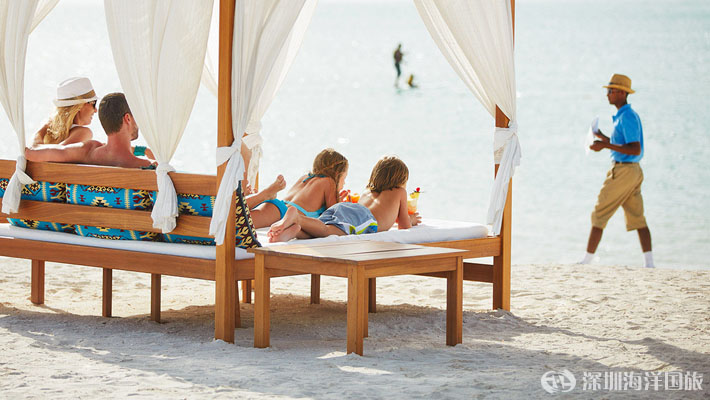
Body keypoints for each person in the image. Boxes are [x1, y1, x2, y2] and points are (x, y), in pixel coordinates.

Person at [580, 74, 654, 268]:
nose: (607, 94)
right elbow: (623, 144)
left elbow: (634, 148)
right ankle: (650, 264)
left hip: (624, 172)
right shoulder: (624, 115)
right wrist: (602, 137)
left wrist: (605, 146)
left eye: (611, 91)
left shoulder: (627, 116)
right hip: (633, 172)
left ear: (622, 93)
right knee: (637, 217)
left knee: (599, 213)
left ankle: (586, 261)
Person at [268, 155, 421, 242]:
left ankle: (295, 231)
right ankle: (298, 217)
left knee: (320, 228)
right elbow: (404, 226)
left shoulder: (368, 191)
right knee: (329, 231)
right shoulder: (400, 192)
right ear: (402, 179)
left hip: (345, 208)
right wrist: (412, 220)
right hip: (363, 217)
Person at [25, 92, 154, 169]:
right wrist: (145, 152)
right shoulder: (151, 167)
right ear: (128, 118)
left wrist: (44, 127)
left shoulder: (87, 151)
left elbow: (30, 151)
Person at [248, 148, 349, 228]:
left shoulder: (305, 178)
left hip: (278, 206)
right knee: (242, 224)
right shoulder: (329, 182)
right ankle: (265, 194)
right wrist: (340, 203)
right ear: (337, 174)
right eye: (344, 178)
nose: (344, 183)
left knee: (240, 219)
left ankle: (263, 195)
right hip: (283, 213)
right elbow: (334, 213)